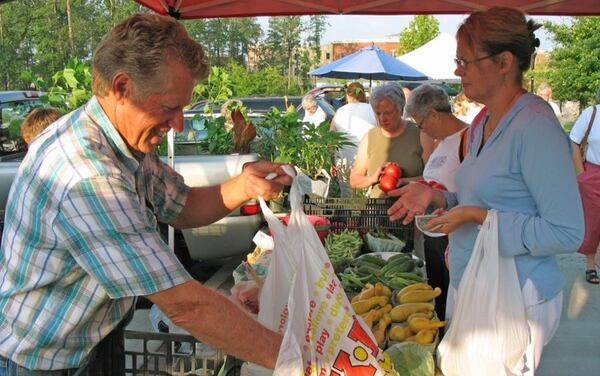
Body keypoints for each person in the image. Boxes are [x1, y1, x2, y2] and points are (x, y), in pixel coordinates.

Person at [0, 13, 290, 374]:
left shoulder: (121, 139)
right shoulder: (85, 174)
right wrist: (304, 361)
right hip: (45, 363)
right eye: (169, 107)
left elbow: (181, 205)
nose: (179, 123)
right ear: (122, 88)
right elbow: (187, 306)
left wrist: (244, 185)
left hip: (97, 337)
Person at [388, 7, 583, 375]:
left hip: (514, 295)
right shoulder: (482, 122)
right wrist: (441, 199)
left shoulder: (536, 126)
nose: (458, 70)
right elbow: (486, 200)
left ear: (504, 62)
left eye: (465, 60)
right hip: (474, 280)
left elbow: (567, 230)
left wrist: (478, 218)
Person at [403, 83, 469, 320]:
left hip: (454, 237)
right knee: (439, 299)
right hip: (434, 234)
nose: (422, 130)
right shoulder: (443, 142)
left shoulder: (467, 140)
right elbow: (434, 180)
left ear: (433, 115)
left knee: (452, 302)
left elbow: (475, 192)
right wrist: (412, 185)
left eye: (420, 124)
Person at [350, 83, 434, 198]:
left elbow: (433, 177)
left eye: (388, 113)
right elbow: (354, 180)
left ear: (400, 109)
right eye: (378, 113)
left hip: (413, 207)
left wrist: (405, 181)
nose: (382, 118)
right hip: (378, 210)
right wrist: (373, 178)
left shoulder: (421, 134)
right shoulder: (370, 137)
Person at [569, 87, 600, 284]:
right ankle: (590, 265)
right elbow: (573, 142)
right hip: (593, 174)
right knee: (593, 222)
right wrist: (581, 174)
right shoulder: (592, 113)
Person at [330, 82, 377, 196]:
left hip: (344, 160)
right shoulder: (373, 110)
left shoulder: (340, 111)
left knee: (347, 195)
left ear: (348, 95)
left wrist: (331, 162)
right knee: (367, 195)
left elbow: (331, 138)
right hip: (368, 160)